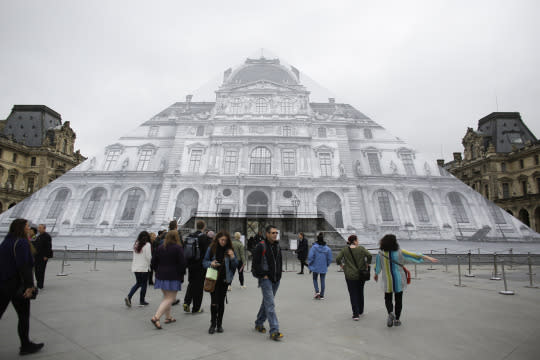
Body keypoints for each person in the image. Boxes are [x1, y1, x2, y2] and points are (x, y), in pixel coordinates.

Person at [374, 234, 438, 327]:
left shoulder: (380, 253)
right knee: (398, 299)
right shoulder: (399, 251)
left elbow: (378, 266)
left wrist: (376, 274)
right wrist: (427, 257)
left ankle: (390, 312)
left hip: (387, 280)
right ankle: (397, 319)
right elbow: (413, 255)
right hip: (399, 279)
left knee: (388, 298)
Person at [0, 219, 44, 355]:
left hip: (3, 283)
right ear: (21, 228)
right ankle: (25, 345)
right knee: (23, 316)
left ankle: (26, 345)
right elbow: (24, 266)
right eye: (26, 226)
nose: (29, 228)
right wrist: (29, 286)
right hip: (17, 285)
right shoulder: (22, 242)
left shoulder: (6, 241)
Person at [202, 231, 238, 334]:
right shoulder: (211, 248)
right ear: (217, 239)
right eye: (222, 240)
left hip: (224, 279)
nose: (224, 242)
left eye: (226, 240)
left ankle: (219, 324)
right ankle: (213, 324)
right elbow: (204, 262)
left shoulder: (229, 250)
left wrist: (232, 257)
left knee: (221, 302)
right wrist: (211, 263)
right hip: (213, 279)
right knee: (214, 302)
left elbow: (235, 265)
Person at [252, 225, 283, 341]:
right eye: (273, 233)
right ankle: (274, 330)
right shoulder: (260, 246)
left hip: (276, 279)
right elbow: (255, 265)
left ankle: (259, 322)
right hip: (266, 279)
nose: (275, 235)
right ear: (267, 234)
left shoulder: (277, 246)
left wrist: (279, 274)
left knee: (266, 302)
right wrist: (263, 274)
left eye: (276, 233)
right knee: (270, 304)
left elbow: (279, 262)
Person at [150, 230, 186, 329]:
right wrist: (182, 274)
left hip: (160, 275)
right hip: (173, 276)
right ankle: (156, 317)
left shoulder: (160, 247)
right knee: (170, 298)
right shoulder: (178, 248)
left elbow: (153, 262)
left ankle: (168, 317)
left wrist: (158, 270)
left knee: (166, 297)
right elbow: (182, 263)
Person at [335, 235, 372, 320]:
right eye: (357, 240)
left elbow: (338, 258)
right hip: (361, 275)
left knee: (353, 293)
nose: (358, 241)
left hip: (350, 275)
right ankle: (361, 310)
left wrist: (342, 266)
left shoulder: (345, 250)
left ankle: (355, 314)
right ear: (355, 241)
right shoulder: (361, 249)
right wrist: (367, 264)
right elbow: (369, 255)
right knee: (360, 292)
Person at [183, 220, 211, 313]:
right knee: (199, 287)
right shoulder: (204, 237)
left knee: (191, 283)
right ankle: (196, 308)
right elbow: (208, 252)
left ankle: (186, 302)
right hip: (200, 265)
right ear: (203, 227)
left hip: (191, 264)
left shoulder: (190, 236)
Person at [125, 231, 152, 307]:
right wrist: (150, 264)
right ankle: (141, 300)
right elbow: (148, 257)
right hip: (144, 268)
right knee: (143, 285)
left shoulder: (136, 244)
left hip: (136, 268)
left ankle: (129, 297)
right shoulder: (147, 245)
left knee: (138, 283)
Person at [307, 233, 332, 300]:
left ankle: (317, 292)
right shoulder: (327, 249)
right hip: (323, 266)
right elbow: (329, 258)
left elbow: (310, 257)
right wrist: (327, 264)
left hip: (315, 266)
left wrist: (310, 265)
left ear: (317, 239)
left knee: (315, 279)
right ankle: (322, 295)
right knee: (322, 280)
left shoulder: (314, 248)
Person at [33, 224, 53, 289]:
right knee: (36, 270)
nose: (39, 229)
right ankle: (38, 282)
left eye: (40, 228)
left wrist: (46, 256)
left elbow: (48, 247)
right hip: (37, 256)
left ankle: (40, 285)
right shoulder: (38, 236)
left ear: (44, 229)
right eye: (38, 228)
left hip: (43, 257)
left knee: (41, 270)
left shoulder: (47, 236)